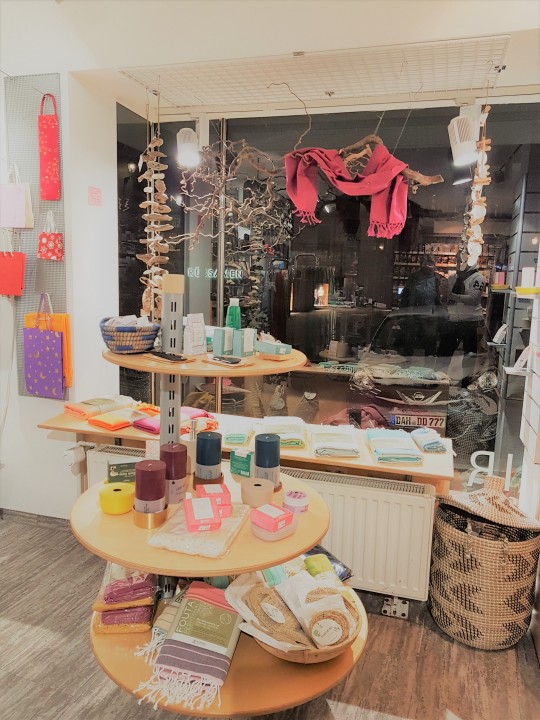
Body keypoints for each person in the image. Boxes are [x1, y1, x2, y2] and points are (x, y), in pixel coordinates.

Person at [438, 248, 486, 361]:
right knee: (443, 356)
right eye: (457, 261)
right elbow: (446, 301)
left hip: (470, 322)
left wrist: (451, 295)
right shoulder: (452, 278)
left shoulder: (478, 278)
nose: (459, 264)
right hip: (453, 320)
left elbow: (473, 298)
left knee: (469, 358)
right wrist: (443, 295)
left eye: (462, 261)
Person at [399, 254, 441, 356]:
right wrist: (402, 315)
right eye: (427, 263)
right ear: (421, 264)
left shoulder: (437, 279)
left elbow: (441, 300)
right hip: (413, 315)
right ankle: (407, 363)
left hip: (430, 317)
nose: (429, 266)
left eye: (431, 263)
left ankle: (429, 364)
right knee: (409, 344)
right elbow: (405, 297)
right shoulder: (413, 278)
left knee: (430, 346)